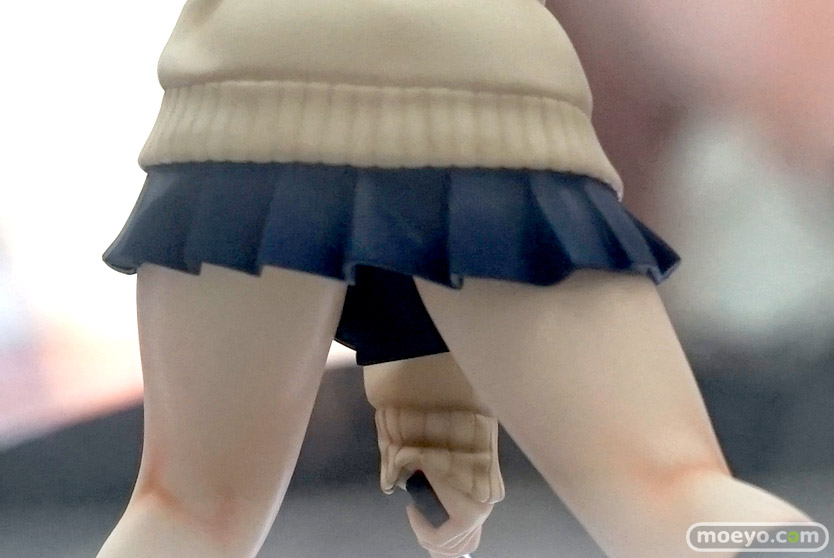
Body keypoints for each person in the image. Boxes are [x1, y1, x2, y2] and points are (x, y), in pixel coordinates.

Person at [98, 1, 811, 556]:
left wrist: (433, 414)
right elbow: (434, 211)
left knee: (186, 510)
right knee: (670, 489)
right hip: (486, 86)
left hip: (245, 94)